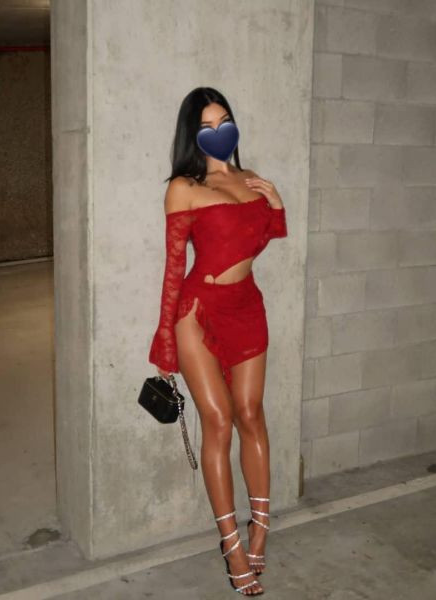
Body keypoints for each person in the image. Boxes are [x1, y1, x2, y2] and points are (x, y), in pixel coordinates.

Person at [148, 87, 287, 596]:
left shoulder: (250, 179)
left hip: (247, 306)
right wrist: (165, 341)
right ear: (193, 134)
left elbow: (259, 239)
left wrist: (275, 203)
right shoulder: (184, 187)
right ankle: (232, 545)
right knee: (220, 420)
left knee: (252, 414)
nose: (218, 132)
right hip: (197, 311)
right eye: (207, 126)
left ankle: (261, 529)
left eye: (224, 121)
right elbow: (173, 269)